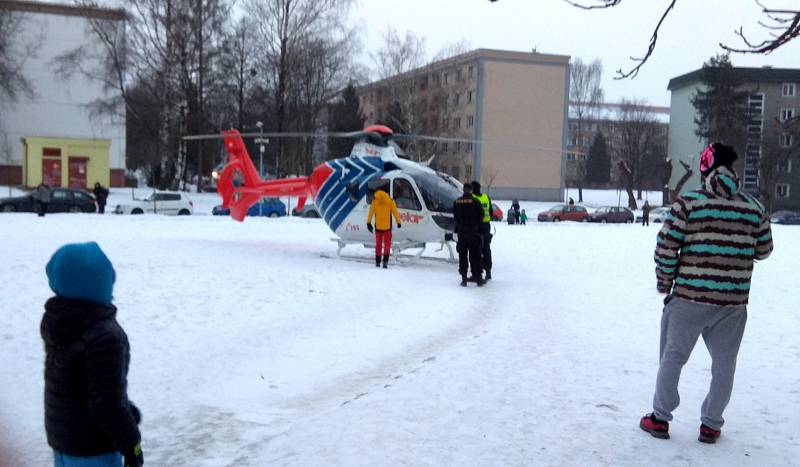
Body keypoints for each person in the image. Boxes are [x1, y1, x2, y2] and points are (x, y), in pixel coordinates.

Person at [639, 142, 773, 444]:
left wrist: (665, 282)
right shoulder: (754, 207)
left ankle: (659, 419)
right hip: (733, 303)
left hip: (688, 298)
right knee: (724, 366)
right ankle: (711, 425)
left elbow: (666, 247)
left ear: (706, 168)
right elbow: (764, 250)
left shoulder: (689, 204)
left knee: (673, 358)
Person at [41, 242, 143, 466]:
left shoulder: (59, 321)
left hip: (63, 439)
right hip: (94, 447)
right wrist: (132, 444)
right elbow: (107, 402)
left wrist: (127, 410)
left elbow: (78, 384)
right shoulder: (105, 335)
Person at [453, 183, 484, 286]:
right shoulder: (476, 201)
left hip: (462, 232)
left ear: (463, 190)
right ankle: (478, 278)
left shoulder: (457, 202)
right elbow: (481, 216)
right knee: (475, 255)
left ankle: (464, 278)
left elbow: (455, 217)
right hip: (473, 232)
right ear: (471, 190)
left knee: (462, 256)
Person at [366, 190, 402, 268]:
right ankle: (385, 262)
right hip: (387, 228)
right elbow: (395, 212)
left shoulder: (375, 202)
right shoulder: (390, 201)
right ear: (387, 194)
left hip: (378, 227)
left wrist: (368, 223)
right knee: (387, 245)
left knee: (378, 245)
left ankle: (378, 262)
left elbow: (371, 213)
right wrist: (398, 222)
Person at [471, 181, 492, 280]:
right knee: (486, 249)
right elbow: (491, 213)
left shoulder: (473, 199)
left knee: (476, 250)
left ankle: (477, 273)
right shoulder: (486, 197)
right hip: (486, 227)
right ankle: (488, 272)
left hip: (476, 227)